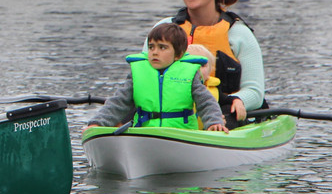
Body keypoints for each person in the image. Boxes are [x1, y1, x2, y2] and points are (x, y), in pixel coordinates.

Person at [153, 0, 264, 127]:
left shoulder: (239, 33)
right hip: (170, 109)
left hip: (222, 108)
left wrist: (239, 100)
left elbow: (255, 92)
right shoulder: (164, 28)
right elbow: (144, 74)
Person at [86, 22, 227, 133]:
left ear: (178, 55)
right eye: (151, 47)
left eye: (162, 48)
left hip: (181, 135)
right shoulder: (137, 74)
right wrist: (98, 123)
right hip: (145, 133)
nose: (155, 52)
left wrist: (214, 122)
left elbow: (206, 103)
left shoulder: (190, 74)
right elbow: (118, 102)